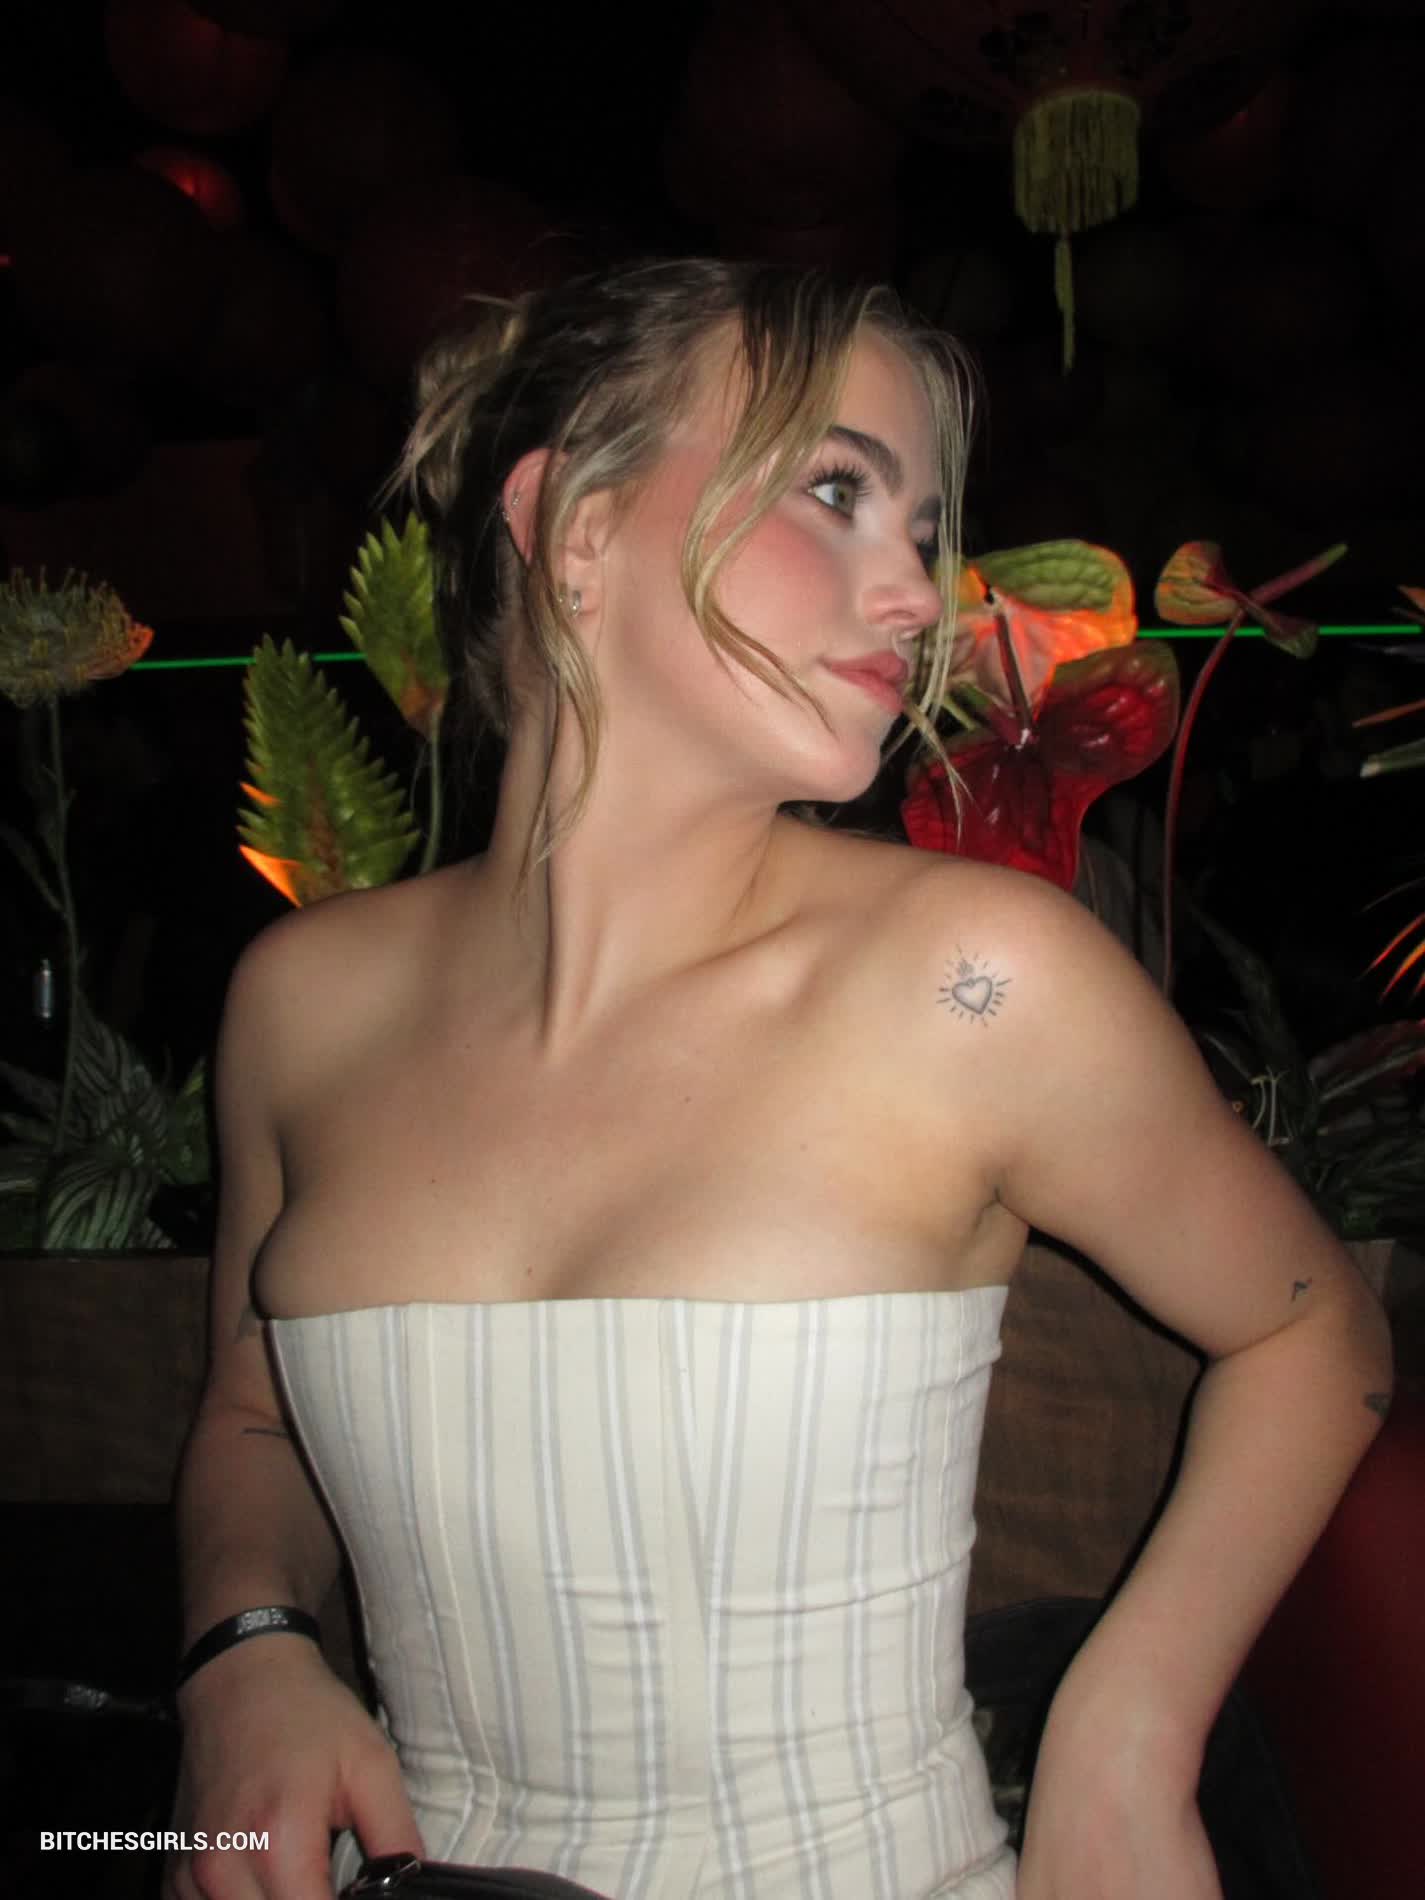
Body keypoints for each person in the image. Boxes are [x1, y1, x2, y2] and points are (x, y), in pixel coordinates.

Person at [166, 258, 1391, 1900]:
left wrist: (1126, 1725)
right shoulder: (300, 1005)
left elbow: (1314, 1329)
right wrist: (244, 1650)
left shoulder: (971, 982)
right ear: (577, 524)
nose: (919, 598)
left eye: (924, 532)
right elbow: (253, 1409)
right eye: (836, 493)